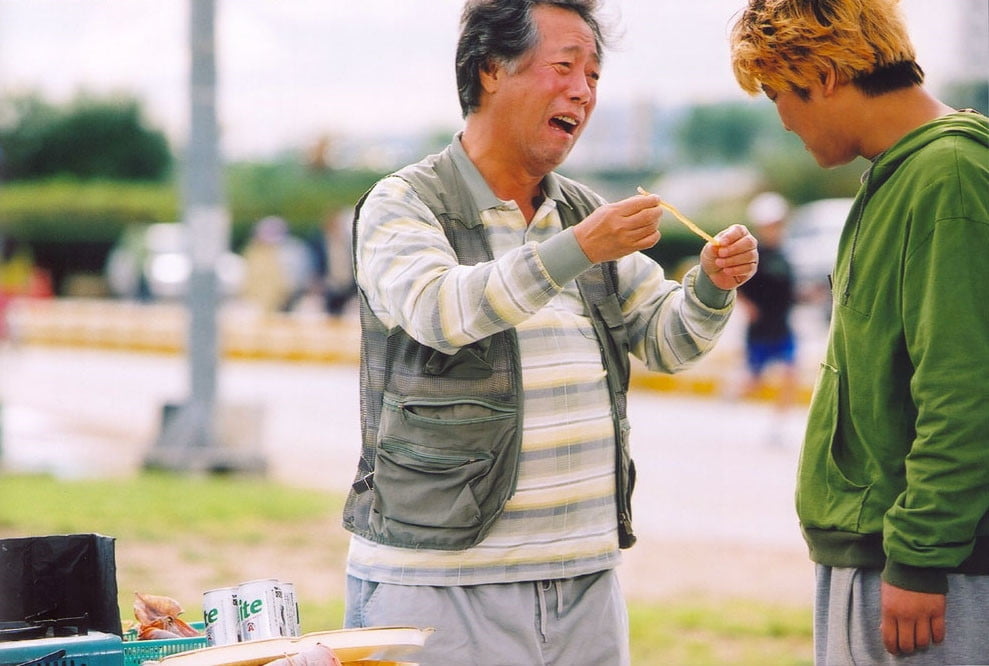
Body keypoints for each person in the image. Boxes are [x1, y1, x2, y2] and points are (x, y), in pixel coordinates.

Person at [340, 2, 759, 664]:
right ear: (490, 71)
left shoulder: (582, 213)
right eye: (564, 67)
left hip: (585, 582)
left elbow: (669, 341)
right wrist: (576, 249)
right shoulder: (404, 202)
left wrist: (710, 284)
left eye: (593, 75)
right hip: (438, 585)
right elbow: (440, 310)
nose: (582, 92)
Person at [730, 1, 989, 663]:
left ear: (819, 75)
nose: (781, 118)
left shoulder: (948, 177)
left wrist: (920, 558)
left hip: (926, 572)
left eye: (775, 93)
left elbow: (964, 389)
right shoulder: (903, 173)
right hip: (887, 556)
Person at [735, 192, 798, 423]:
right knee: (754, 381)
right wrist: (747, 306)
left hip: (782, 325)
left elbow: (788, 288)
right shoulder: (755, 254)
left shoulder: (784, 253)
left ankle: (779, 424)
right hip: (760, 327)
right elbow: (738, 285)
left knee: (790, 374)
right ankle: (729, 400)